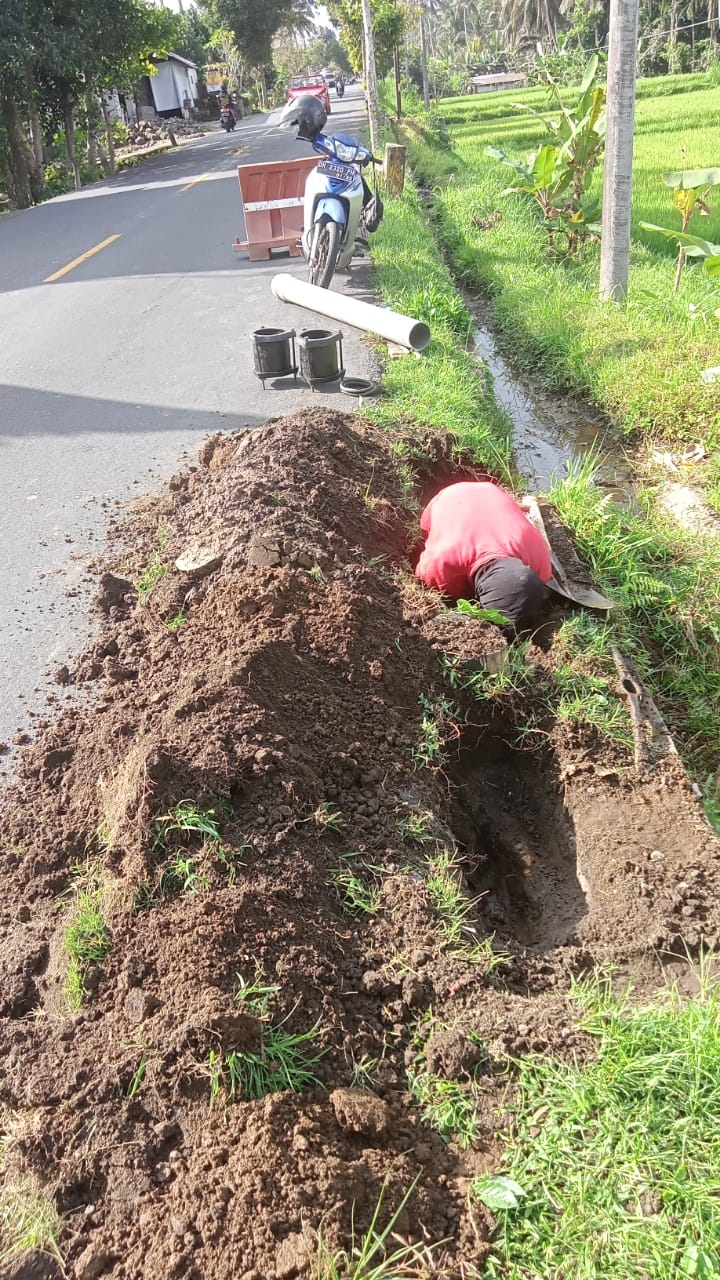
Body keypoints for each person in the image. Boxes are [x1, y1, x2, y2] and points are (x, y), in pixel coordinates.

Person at [415, 480, 552, 630]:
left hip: (492, 493)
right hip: (446, 499)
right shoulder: (439, 566)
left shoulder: (541, 564)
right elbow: (422, 574)